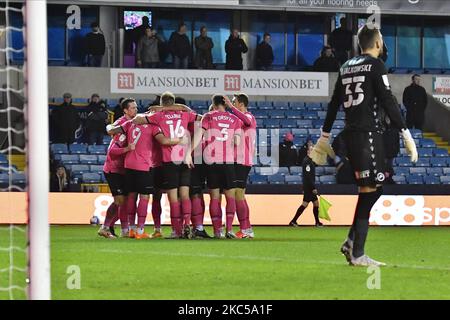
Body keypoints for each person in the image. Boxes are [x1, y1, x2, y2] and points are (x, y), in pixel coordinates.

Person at [311, 25, 418, 267]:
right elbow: (388, 100)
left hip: (352, 134)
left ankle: (351, 242)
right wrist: (405, 132)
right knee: (369, 191)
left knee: (375, 188)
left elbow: (333, 103)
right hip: (367, 134)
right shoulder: (376, 66)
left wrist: (324, 136)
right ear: (378, 42)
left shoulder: (346, 66)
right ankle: (357, 253)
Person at [107, 99, 185, 239]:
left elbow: (112, 130)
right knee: (148, 197)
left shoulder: (132, 122)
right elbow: (164, 141)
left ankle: (131, 228)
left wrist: (110, 129)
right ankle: (141, 230)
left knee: (131, 195)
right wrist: (180, 139)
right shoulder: (153, 125)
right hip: (149, 165)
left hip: (129, 165)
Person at [140, 92, 200, 239]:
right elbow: (203, 119)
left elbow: (138, 120)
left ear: (162, 103)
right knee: (185, 195)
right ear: (174, 102)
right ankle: (187, 225)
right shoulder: (185, 114)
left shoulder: (158, 116)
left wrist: (157, 110)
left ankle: (176, 231)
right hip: (185, 159)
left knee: (173, 197)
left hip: (168, 160)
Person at [191, 94, 243, 238]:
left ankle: (217, 231)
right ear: (225, 104)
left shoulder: (208, 116)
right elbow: (237, 142)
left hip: (211, 161)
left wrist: (189, 152)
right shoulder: (235, 119)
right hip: (228, 162)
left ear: (213, 105)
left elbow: (198, 136)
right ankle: (230, 230)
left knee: (214, 197)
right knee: (230, 197)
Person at [98, 99, 138, 239]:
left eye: (136, 107)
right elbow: (112, 151)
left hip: (124, 169)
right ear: (125, 111)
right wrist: (127, 149)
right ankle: (105, 227)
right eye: (132, 108)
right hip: (113, 168)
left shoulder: (134, 124)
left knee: (125, 201)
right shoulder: (121, 126)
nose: (136, 110)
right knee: (120, 200)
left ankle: (117, 228)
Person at [225, 93, 257, 239]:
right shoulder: (238, 120)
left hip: (242, 161)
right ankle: (246, 228)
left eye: (234, 102)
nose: (231, 103)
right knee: (240, 195)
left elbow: (247, 121)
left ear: (241, 103)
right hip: (238, 160)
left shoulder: (249, 117)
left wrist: (231, 108)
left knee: (239, 194)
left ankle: (246, 229)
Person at [289, 144, 322, 227]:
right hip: (308, 188)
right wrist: (313, 187)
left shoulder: (310, 161)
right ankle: (294, 221)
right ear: (308, 152)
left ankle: (317, 222)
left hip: (308, 187)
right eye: (311, 150)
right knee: (306, 204)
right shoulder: (307, 162)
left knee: (315, 203)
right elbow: (308, 176)